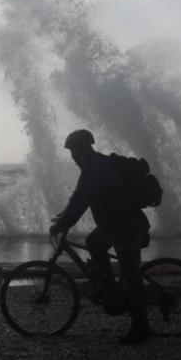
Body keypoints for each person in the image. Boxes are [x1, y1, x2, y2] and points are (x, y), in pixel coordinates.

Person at [49, 129, 152, 345]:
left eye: (73, 150)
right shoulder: (94, 164)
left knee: (131, 274)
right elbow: (79, 196)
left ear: (82, 149)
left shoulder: (95, 167)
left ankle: (141, 327)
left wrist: (62, 224)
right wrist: (62, 217)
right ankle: (111, 292)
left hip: (127, 226)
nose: (72, 155)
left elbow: (81, 200)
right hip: (115, 224)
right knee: (93, 243)